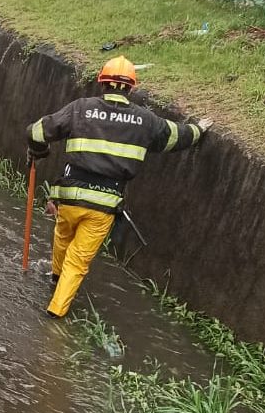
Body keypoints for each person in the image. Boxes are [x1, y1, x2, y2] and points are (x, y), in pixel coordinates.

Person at [26, 57, 211, 318]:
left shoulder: (81, 109)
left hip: (69, 198)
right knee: (78, 260)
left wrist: (38, 152)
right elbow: (177, 137)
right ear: (131, 88)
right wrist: (199, 129)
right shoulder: (146, 121)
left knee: (62, 236)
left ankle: (55, 277)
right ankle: (55, 313)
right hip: (104, 205)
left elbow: (36, 132)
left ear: (102, 83)